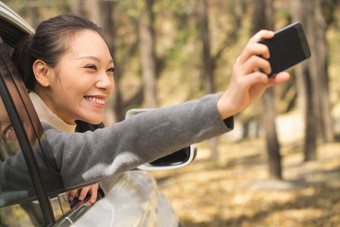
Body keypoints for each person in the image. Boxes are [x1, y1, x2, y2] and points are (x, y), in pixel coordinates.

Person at [11, 14, 290, 205]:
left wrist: (92, 172)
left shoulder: (61, 140)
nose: (106, 82)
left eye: (110, 70)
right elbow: (127, 138)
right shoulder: (21, 139)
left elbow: (92, 149)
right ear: (42, 73)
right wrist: (224, 104)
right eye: (90, 67)